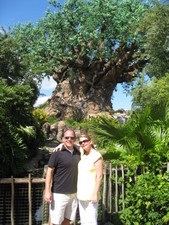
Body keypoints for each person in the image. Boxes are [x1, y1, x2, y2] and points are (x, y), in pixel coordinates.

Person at [44, 129, 80, 225]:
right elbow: (49, 172)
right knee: (55, 222)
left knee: (67, 220)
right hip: (59, 193)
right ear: (63, 138)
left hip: (74, 193)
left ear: (75, 139)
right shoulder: (57, 153)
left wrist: (76, 146)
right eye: (67, 137)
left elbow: (89, 148)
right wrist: (47, 191)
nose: (69, 139)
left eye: (72, 138)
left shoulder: (79, 153)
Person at [77, 134, 103, 225]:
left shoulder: (96, 155)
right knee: (84, 221)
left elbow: (100, 176)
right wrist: (61, 145)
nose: (83, 143)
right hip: (81, 195)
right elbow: (74, 146)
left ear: (90, 141)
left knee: (91, 221)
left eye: (85, 141)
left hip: (91, 195)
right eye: (81, 142)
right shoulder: (83, 154)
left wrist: (95, 194)